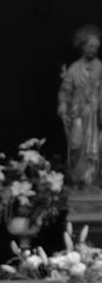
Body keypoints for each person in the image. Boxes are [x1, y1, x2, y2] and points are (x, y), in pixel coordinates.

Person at [58, 24, 102, 189]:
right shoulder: (74, 68)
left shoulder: (100, 67)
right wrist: (63, 108)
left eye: (96, 47)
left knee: (95, 149)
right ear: (83, 46)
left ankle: (92, 182)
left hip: (95, 117)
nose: (94, 50)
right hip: (78, 115)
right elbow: (65, 91)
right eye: (91, 46)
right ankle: (77, 181)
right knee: (76, 146)